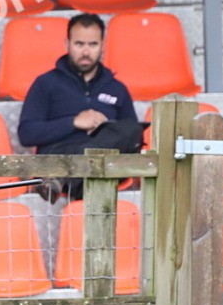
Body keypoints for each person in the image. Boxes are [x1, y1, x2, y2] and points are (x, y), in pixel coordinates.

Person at [17, 13, 144, 203]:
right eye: (79, 44)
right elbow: (26, 134)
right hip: (61, 154)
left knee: (131, 130)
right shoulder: (46, 83)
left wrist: (106, 129)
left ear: (103, 45)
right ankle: (69, 175)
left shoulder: (117, 88)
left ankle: (62, 176)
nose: (86, 52)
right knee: (87, 170)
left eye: (92, 45)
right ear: (67, 43)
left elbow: (133, 136)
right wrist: (74, 123)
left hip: (101, 163)